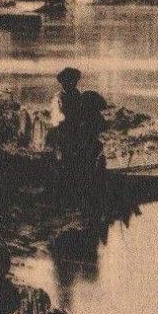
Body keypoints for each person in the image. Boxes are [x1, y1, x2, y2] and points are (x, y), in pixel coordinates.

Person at [45, 67, 108, 212]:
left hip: (77, 133)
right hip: (65, 134)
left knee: (85, 159)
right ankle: (66, 199)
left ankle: (82, 195)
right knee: (68, 165)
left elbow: (82, 112)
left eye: (74, 80)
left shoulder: (76, 95)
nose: (72, 83)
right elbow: (56, 120)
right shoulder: (58, 98)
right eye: (69, 81)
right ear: (63, 82)